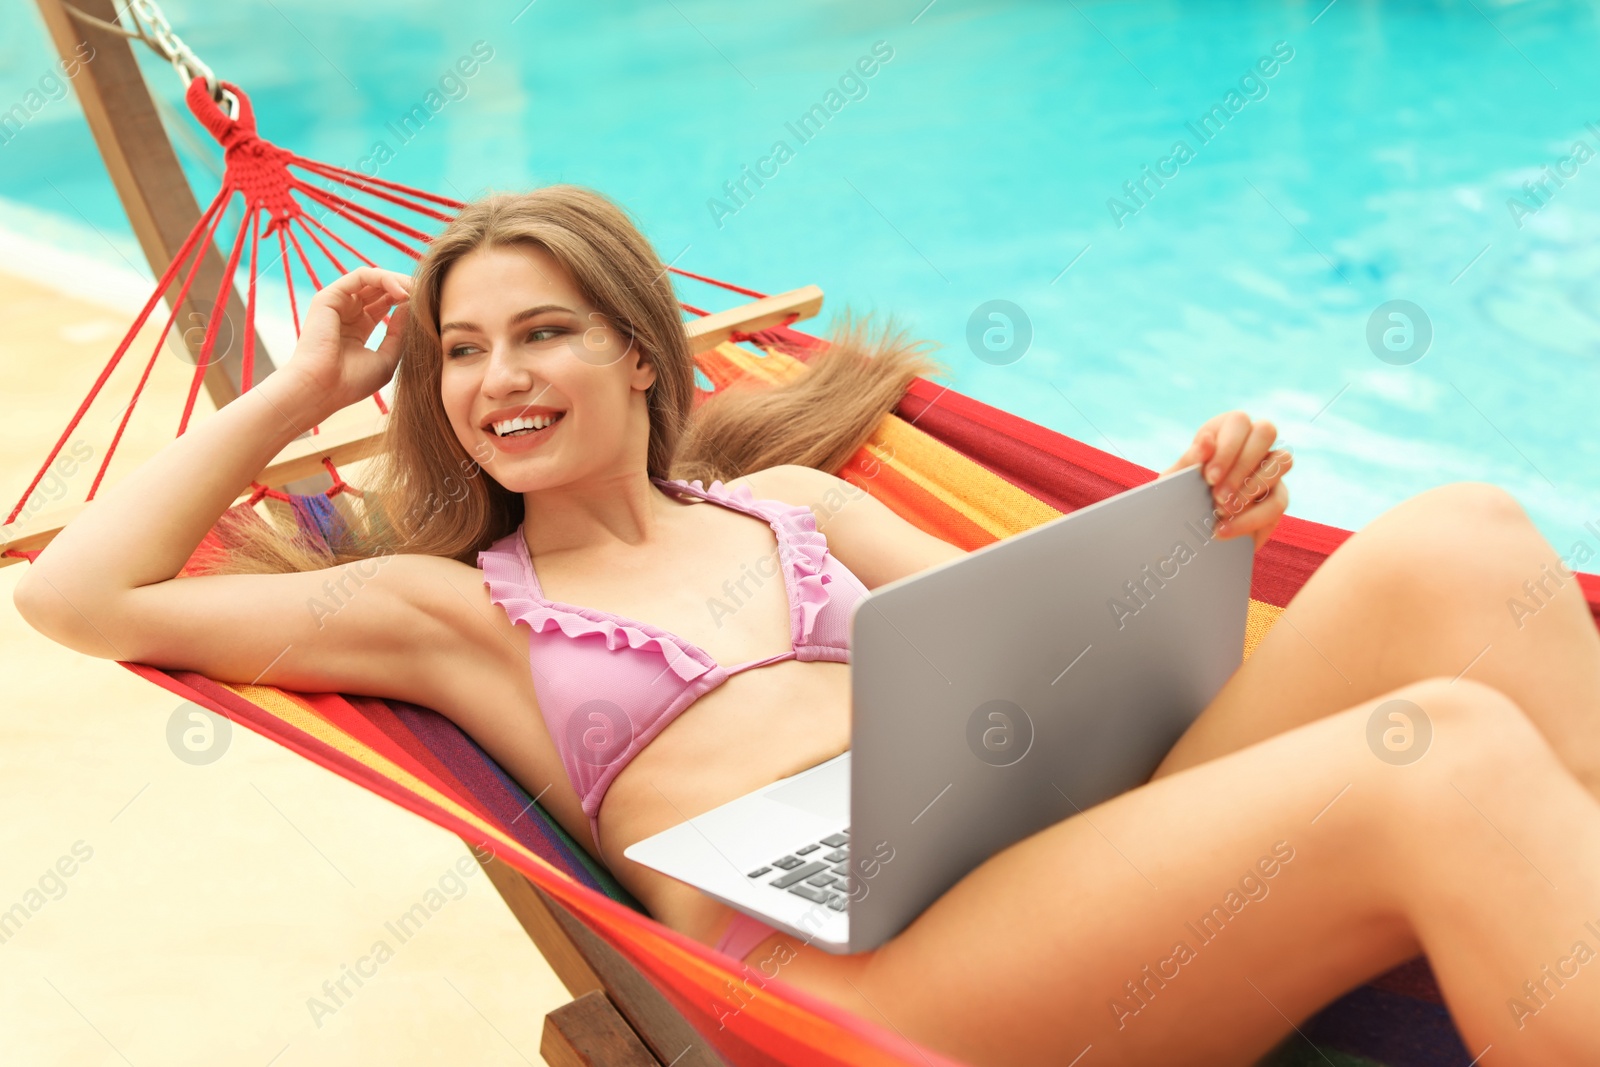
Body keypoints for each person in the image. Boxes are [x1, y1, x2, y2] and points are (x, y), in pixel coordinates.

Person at [15, 186, 1600, 1067]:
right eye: (461, 351)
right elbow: (73, 598)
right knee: (1438, 755)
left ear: (640, 355)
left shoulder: (800, 512)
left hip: (1040, 850)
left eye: (543, 332)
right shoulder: (456, 613)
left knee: (1461, 542)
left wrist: (1201, 533)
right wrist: (302, 392)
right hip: (852, 978)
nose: (495, 377)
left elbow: (1066, 665)